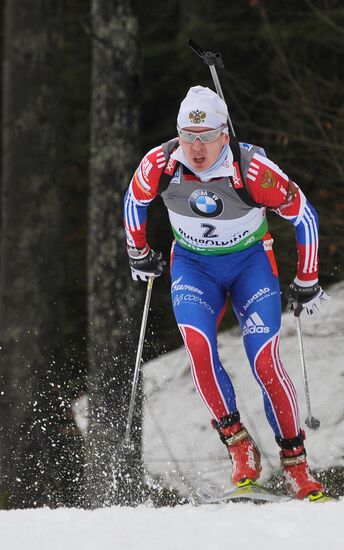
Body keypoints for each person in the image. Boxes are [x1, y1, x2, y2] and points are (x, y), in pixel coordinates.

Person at [123, 85, 329, 500]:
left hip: (250, 265)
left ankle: (296, 466)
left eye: (207, 136)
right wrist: (138, 252)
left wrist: (307, 278)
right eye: (188, 136)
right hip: (195, 267)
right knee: (198, 348)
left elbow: (303, 214)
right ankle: (239, 447)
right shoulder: (160, 163)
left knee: (265, 361)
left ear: (225, 133)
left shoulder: (252, 171)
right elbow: (134, 200)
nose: (196, 148)